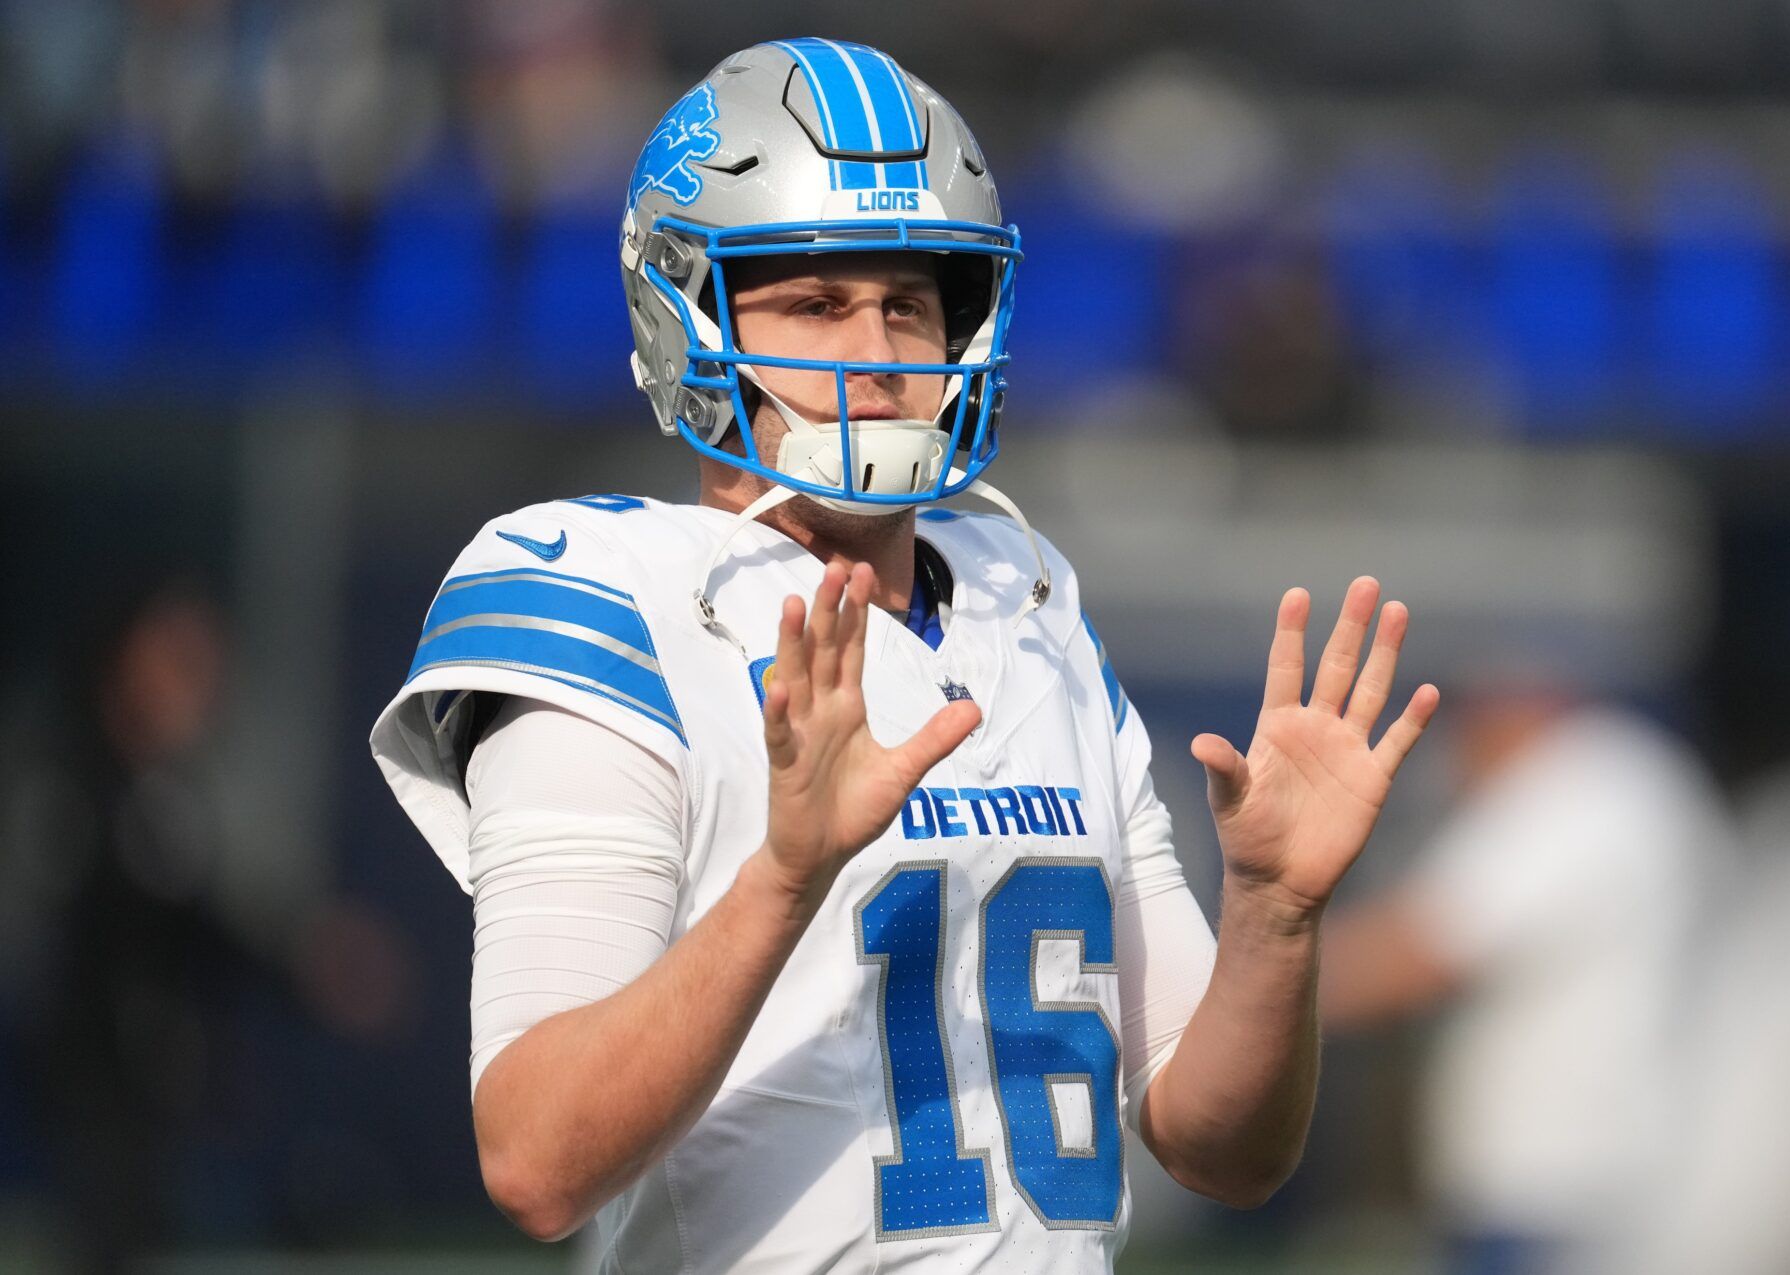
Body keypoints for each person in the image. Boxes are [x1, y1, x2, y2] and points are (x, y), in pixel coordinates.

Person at [370, 38, 1438, 1273]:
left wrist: (1273, 918)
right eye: (817, 303)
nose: (877, 352)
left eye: (910, 304)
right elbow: (536, 1160)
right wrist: (786, 875)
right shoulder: (615, 601)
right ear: (685, 312)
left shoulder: (1025, 600)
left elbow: (1220, 1146)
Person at [1318, 688, 1731, 1275]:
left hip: (1567, 1188)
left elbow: (1415, 954)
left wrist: (1219, 998)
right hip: (1620, 1177)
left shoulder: (1582, 787)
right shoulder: (1640, 777)